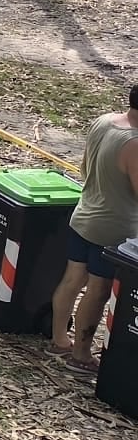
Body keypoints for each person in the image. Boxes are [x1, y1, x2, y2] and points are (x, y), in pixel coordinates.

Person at [50, 85, 138, 372]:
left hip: (84, 215)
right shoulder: (135, 144)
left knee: (73, 278)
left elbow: (85, 166)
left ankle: (59, 339)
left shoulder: (104, 121)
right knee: (98, 290)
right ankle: (82, 355)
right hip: (112, 230)